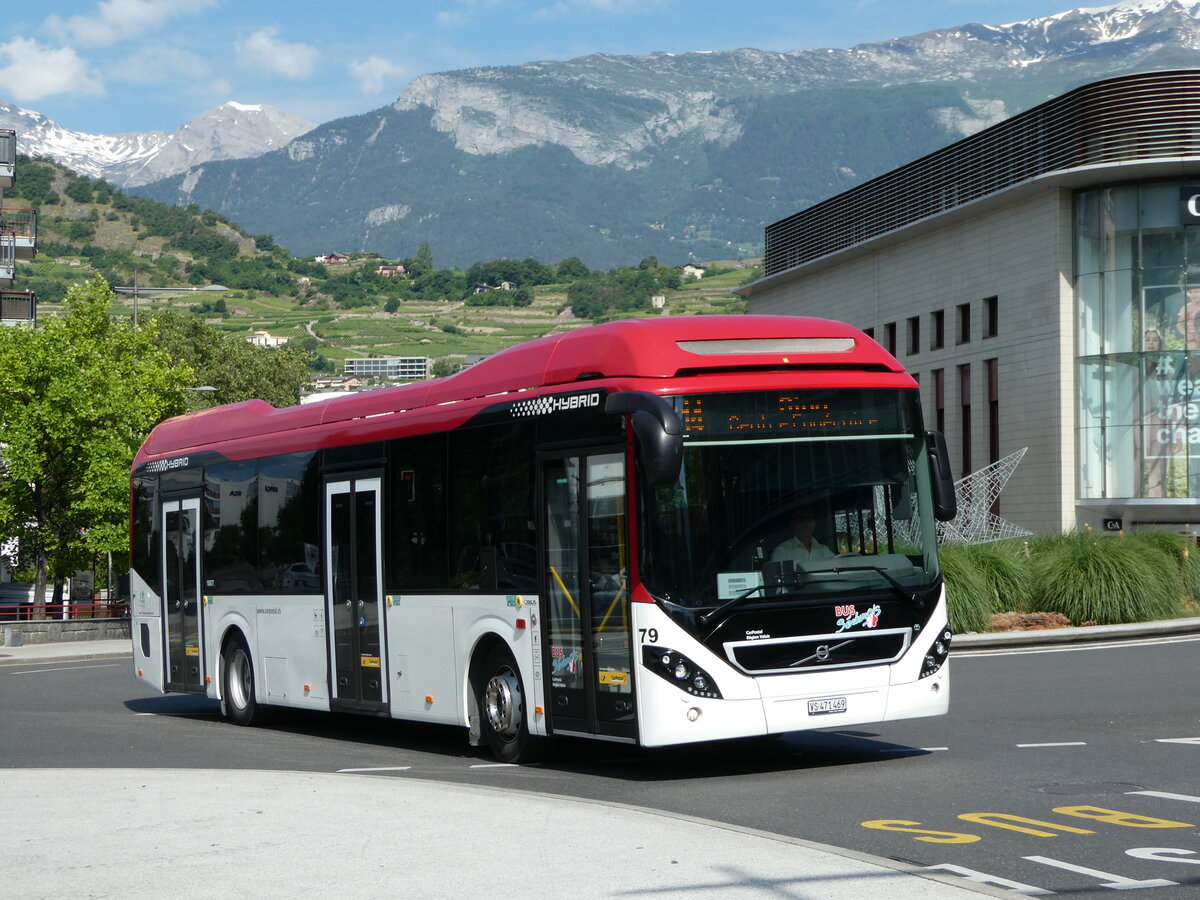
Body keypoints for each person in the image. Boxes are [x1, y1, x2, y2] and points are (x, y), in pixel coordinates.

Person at [771, 506, 835, 564]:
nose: (805, 523)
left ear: (814, 523)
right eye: (800, 519)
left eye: (809, 519)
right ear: (792, 524)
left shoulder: (824, 550)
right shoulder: (781, 552)